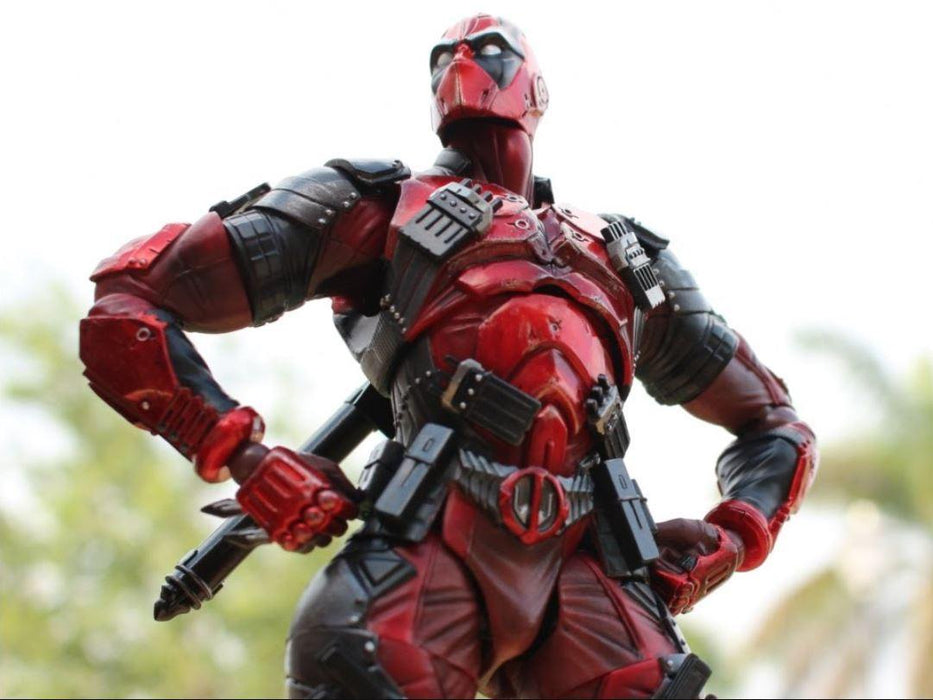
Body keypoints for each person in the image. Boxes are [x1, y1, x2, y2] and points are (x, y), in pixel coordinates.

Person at [79, 14, 817, 699]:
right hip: (433, 536)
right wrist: (249, 459)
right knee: (358, 661)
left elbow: (775, 425)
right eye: (444, 56)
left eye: (490, 51)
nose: (463, 63)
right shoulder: (379, 204)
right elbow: (127, 308)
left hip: (589, 564)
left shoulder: (619, 254)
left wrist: (731, 537)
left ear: (536, 87)